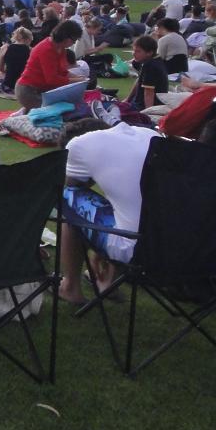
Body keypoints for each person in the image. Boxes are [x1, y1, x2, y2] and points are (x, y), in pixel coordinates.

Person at [57, 117, 156, 304]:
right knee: (126, 206)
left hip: (137, 249)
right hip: (180, 248)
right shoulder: (150, 135)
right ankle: (109, 280)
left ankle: (70, 287)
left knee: (69, 197)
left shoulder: (79, 145)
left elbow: (75, 185)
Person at [14, 19, 82, 111]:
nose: (73, 43)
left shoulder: (61, 49)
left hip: (42, 89)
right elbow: (51, 79)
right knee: (57, 111)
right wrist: (77, 80)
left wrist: (80, 78)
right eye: (73, 40)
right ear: (65, 36)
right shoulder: (46, 49)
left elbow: (63, 72)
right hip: (29, 91)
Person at [125, 35, 168, 110]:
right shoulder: (156, 59)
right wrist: (127, 99)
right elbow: (139, 81)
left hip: (143, 106)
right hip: (144, 103)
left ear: (149, 53)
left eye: (138, 51)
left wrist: (148, 113)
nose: (133, 54)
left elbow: (149, 92)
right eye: (134, 50)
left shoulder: (150, 65)